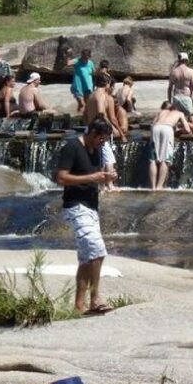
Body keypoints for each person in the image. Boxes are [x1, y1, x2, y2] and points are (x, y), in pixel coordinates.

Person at [56, 118, 117, 315]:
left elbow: (93, 174)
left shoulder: (97, 149)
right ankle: (96, 298)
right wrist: (91, 178)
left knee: (86, 258)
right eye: (101, 139)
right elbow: (61, 177)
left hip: (91, 207)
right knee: (98, 250)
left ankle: (79, 306)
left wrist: (105, 178)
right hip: (76, 207)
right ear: (91, 133)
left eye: (105, 140)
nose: (103, 143)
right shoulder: (72, 147)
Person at [84, 73, 125, 191]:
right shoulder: (102, 96)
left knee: (101, 157)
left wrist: (89, 127)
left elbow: (85, 116)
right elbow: (102, 115)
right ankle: (107, 185)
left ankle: (103, 185)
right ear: (107, 83)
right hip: (100, 130)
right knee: (107, 158)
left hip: (90, 129)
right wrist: (113, 130)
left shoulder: (91, 96)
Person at [149, 101, 191, 190]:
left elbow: (152, 125)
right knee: (165, 159)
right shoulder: (180, 113)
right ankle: (159, 186)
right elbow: (187, 130)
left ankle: (152, 186)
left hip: (156, 128)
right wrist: (178, 131)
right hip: (167, 129)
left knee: (153, 159)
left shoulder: (162, 112)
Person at [168, 52, 193, 118]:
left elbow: (170, 88)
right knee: (190, 117)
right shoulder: (191, 71)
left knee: (178, 117)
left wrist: (169, 102)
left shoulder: (173, 72)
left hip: (176, 97)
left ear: (178, 60)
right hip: (186, 97)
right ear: (186, 60)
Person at [67, 48, 95, 113]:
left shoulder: (91, 63)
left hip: (88, 87)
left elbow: (93, 73)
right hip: (78, 87)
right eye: (83, 56)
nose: (84, 59)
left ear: (89, 56)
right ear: (81, 55)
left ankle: (80, 118)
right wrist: (69, 55)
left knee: (86, 105)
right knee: (82, 104)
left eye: (86, 57)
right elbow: (68, 63)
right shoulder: (77, 61)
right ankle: (81, 119)